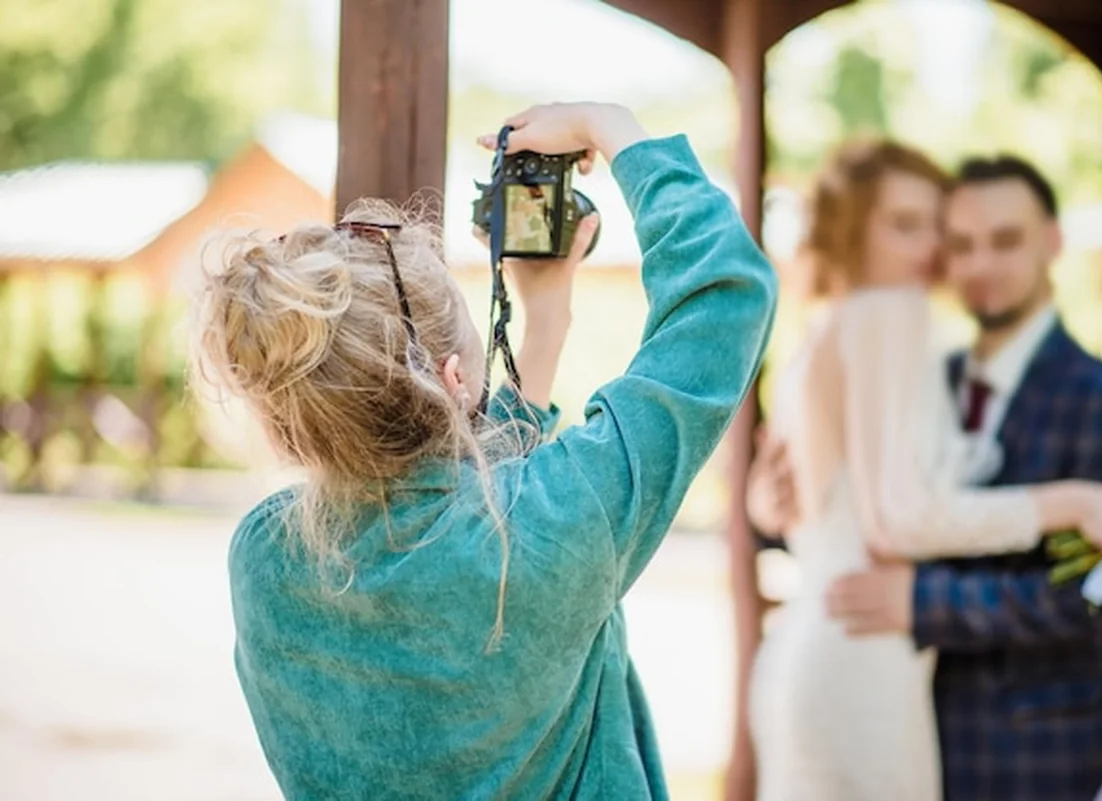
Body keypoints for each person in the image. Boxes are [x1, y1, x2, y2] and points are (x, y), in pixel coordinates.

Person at [191, 102, 778, 800]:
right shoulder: (556, 524)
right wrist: (610, 128)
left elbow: (458, 505)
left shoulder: (264, 558)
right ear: (455, 378)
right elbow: (726, 295)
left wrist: (545, 321)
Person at [731, 142, 1102, 801]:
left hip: (1040, 760)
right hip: (876, 680)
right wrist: (767, 506)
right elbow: (882, 516)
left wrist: (920, 603)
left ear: (1052, 243)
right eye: (955, 238)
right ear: (855, 226)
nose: (966, 260)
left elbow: (1096, 597)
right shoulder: (906, 340)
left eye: (1004, 240)